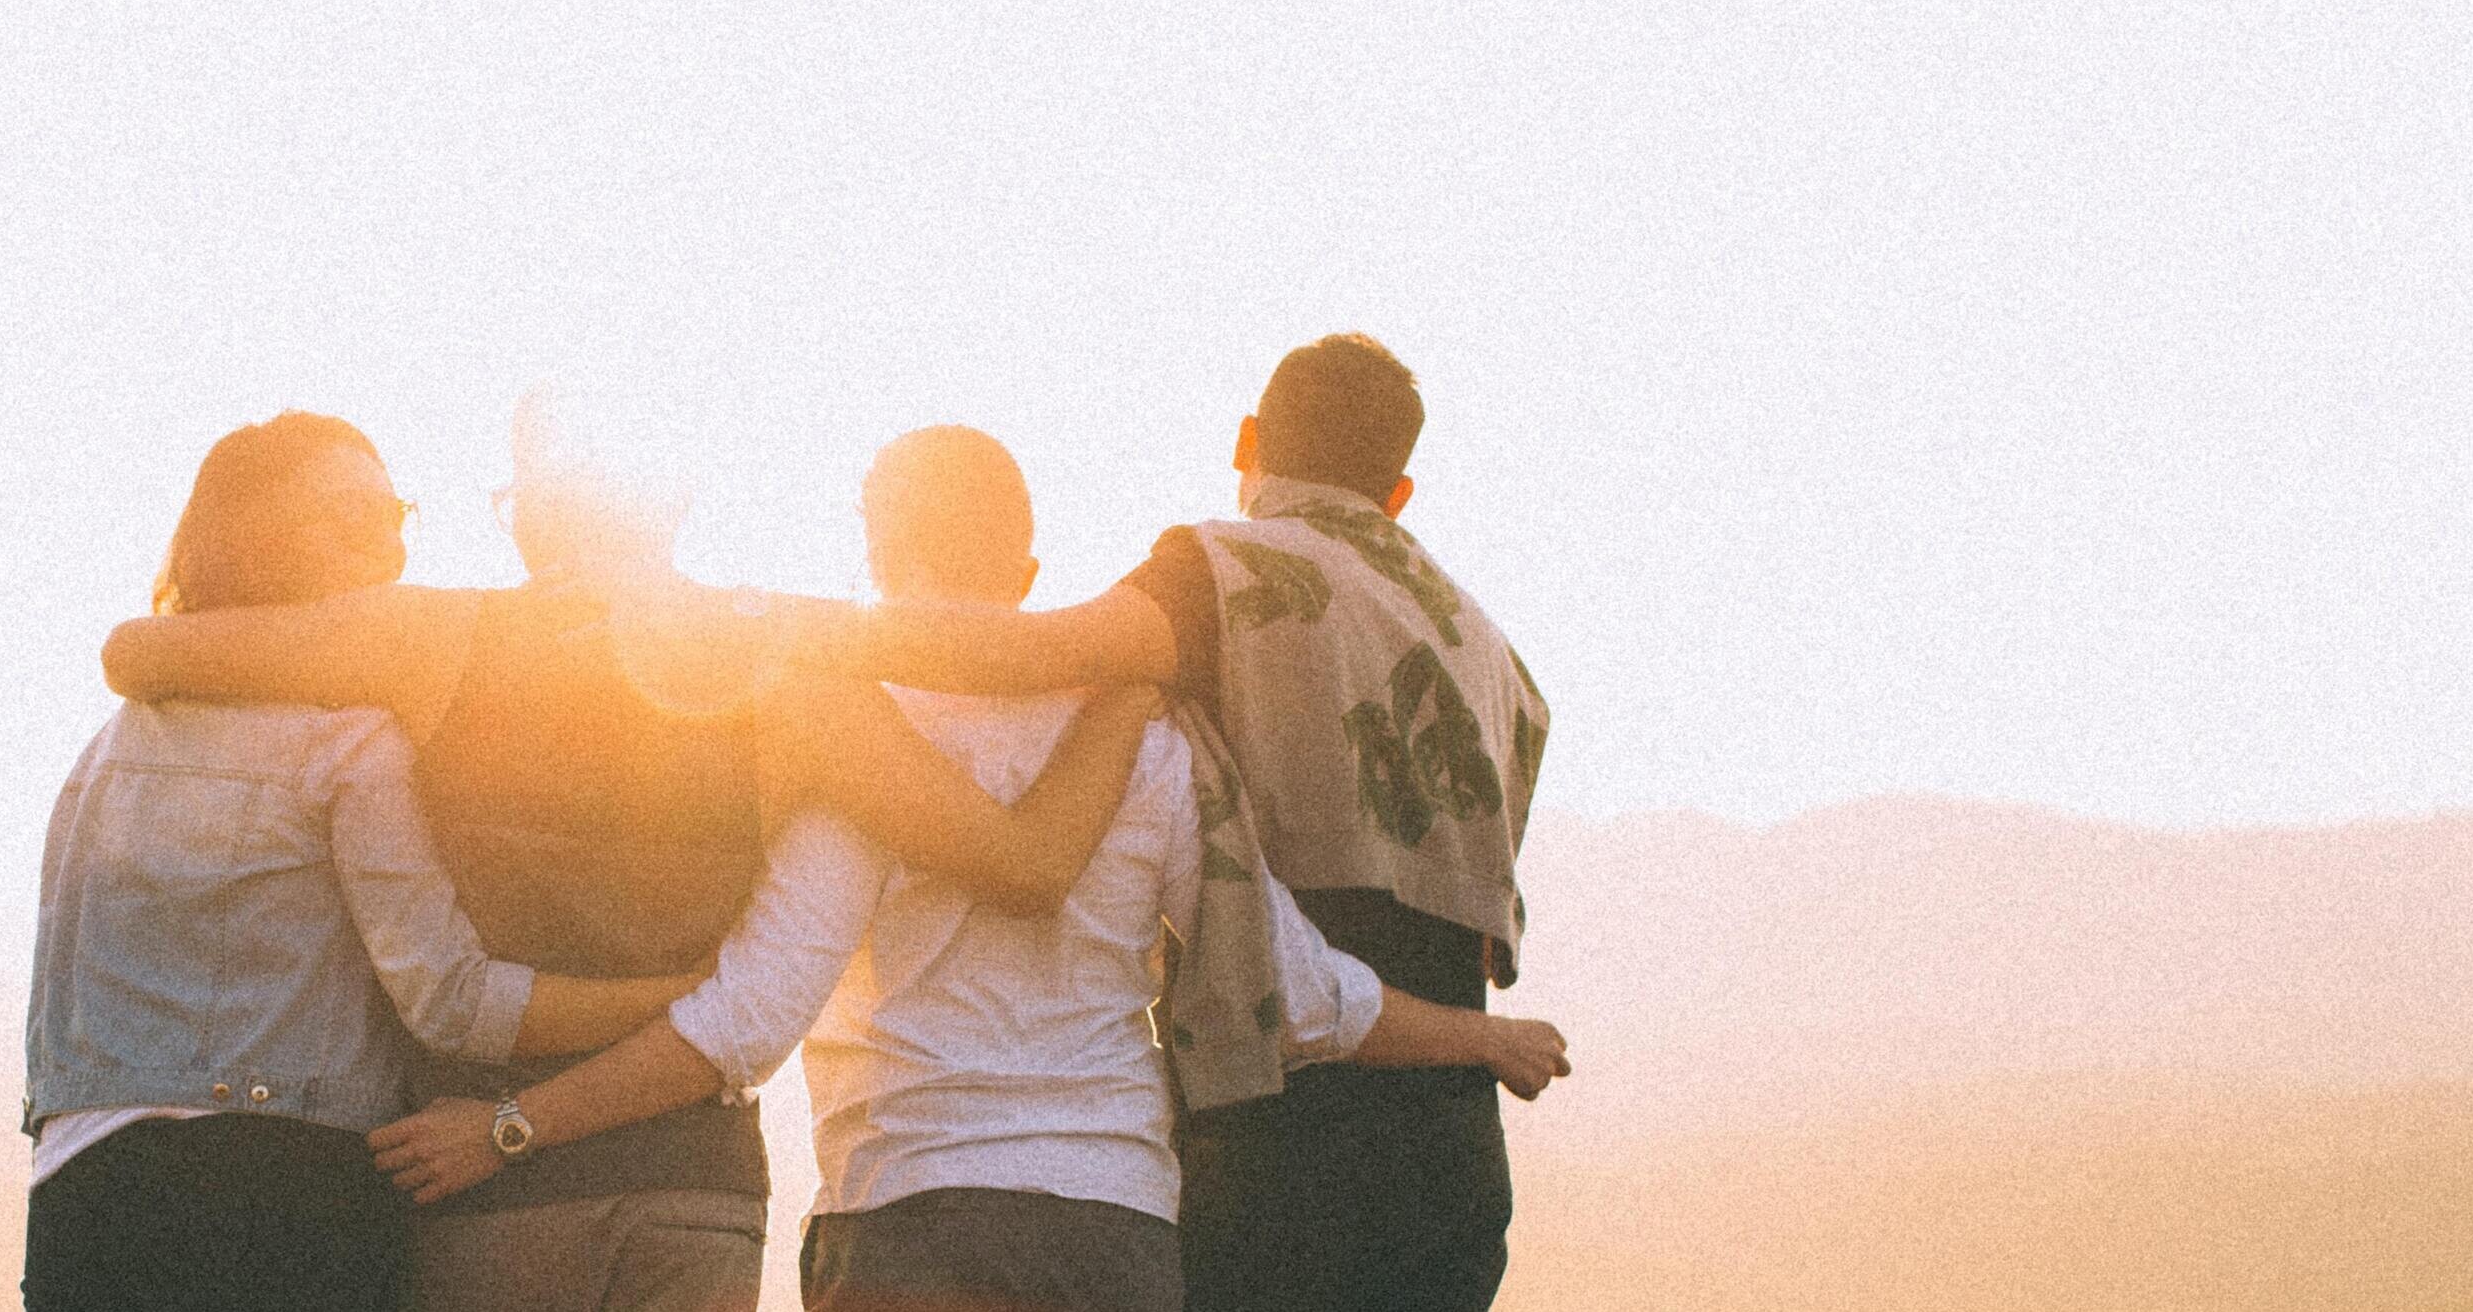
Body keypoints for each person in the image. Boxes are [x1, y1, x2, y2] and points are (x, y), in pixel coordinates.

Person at [364, 425, 1567, 1312]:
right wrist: (1488, 1039)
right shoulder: (1149, 740)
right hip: (1115, 1233)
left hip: (913, 1220)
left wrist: (512, 1126)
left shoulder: (860, 740)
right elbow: (1297, 993)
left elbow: (751, 1016)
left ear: (876, 553)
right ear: (1030, 574)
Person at [100, 394, 1142, 1312]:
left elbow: (141, 655)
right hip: (695, 1192)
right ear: (673, 500)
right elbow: (1025, 862)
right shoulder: (798, 675)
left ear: (535, 506)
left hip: (483, 1191)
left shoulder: (424, 638)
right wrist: (1133, 677)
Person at [787, 337, 1560, 1312]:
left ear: (1247, 441)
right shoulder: (1491, 656)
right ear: (1397, 492)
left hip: (1274, 1156)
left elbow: (1038, 654)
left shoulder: (1229, 577)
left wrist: (775, 635)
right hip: (1449, 1162)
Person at [22, 411, 712, 1312]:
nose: (388, 553)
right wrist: (678, 997)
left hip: (83, 1194)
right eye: (354, 522)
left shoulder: (103, 752)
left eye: (397, 518)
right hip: (285, 1196)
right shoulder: (349, 740)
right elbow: (450, 1001)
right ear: (265, 540)